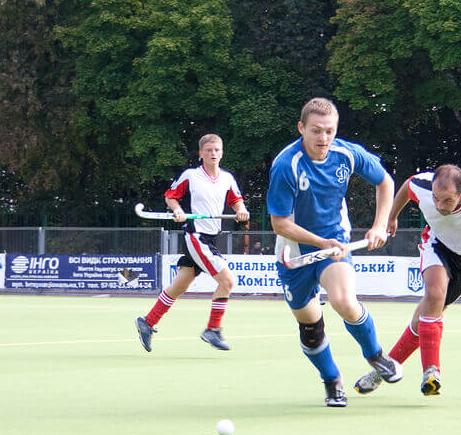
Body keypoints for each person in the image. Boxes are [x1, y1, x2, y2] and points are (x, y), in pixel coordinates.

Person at [267, 97, 402, 407]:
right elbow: (280, 224)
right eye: (316, 131)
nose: (323, 139)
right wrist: (319, 243)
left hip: (335, 242)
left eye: (329, 131)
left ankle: (376, 356)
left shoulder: (346, 153)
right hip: (294, 252)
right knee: (311, 327)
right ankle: (332, 380)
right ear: (301, 128)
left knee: (343, 301)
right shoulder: (286, 165)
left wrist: (380, 225)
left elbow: (385, 182)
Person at [354, 165, 461, 396]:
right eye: (436, 199)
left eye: (447, 200)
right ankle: (432, 372)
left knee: (421, 320)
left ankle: (384, 369)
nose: (439, 206)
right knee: (434, 294)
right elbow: (405, 187)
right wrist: (391, 218)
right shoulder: (422, 186)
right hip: (436, 244)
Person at [135, 134, 250, 351]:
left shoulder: (227, 178)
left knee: (181, 284)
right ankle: (213, 329)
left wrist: (241, 211)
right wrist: (178, 210)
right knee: (227, 281)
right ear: (201, 154)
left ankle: (147, 322)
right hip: (196, 237)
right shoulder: (191, 175)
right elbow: (171, 196)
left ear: (222, 152)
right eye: (208, 150)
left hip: (211, 238)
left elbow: (236, 200)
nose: (213, 154)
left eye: (217, 150)